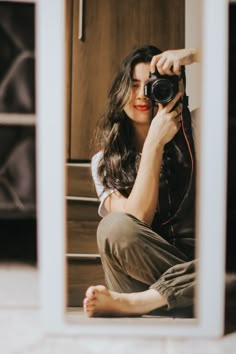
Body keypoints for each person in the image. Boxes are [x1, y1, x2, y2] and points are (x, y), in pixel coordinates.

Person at [83, 46, 199, 317]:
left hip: (193, 265)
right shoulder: (103, 161)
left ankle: (146, 302)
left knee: (222, 261)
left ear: (172, 87)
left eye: (152, 85)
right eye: (134, 85)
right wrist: (155, 143)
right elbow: (137, 218)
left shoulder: (196, 127)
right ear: (120, 92)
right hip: (142, 277)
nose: (142, 95)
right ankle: (179, 296)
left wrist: (191, 55)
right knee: (112, 227)